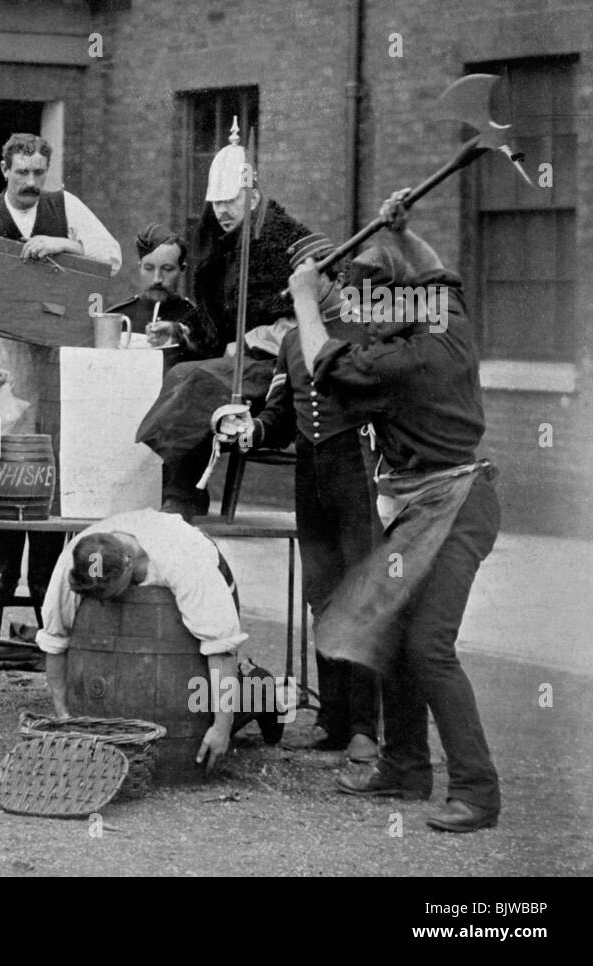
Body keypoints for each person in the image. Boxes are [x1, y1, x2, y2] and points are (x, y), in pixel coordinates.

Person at [295, 191, 501, 833]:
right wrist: (404, 233)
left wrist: (305, 298)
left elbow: (323, 363)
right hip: (423, 505)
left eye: (372, 304)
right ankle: (406, 768)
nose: (364, 317)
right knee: (393, 633)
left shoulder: (402, 360)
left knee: (429, 646)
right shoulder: (445, 315)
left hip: (456, 505)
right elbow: (436, 271)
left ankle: (478, 793)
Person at [215, 233, 381, 763]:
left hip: (357, 470)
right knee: (322, 595)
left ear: (336, 276)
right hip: (312, 475)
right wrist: (251, 431)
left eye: (316, 270)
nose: (308, 282)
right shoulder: (290, 343)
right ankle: (333, 719)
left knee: (362, 597)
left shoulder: (367, 328)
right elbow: (282, 415)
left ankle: (365, 727)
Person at [0, 132, 122, 605]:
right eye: (21, 172)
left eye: (39, 172)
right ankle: (3, 573)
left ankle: (44, 578)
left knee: (50, 460)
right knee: (2, 457)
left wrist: (62, 243)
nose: (31, 181)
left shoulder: (65, 207)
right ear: (5, 170)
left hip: (52, 351)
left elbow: (112, 258)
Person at [135, 127, 314, 520]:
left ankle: (182, 497)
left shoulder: (288, 242)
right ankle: (178, 490)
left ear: (253, 195)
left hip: (276, 370)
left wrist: (252, 340)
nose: (222, 211)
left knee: (199, 380)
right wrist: (182, 331)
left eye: (230, 200)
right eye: (216, 202)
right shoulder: (221, 247)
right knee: (180, 371)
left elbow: (309, 316)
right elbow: (214, 324)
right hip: (234, 364)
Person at [35, 508, 278, 774]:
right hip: (156, 588)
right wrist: (63, 716)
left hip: (210, 578)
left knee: (195, 709)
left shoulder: (183, 560)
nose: (102, 603)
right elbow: (54, 640)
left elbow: (221, 647)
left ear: (128, 563)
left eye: (107, 594)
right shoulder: (74, 561)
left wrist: (222, 728)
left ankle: (260, 689)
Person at [106, 223, 195, 344]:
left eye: (167, 269)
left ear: (182, 270)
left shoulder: (197, 319)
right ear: (140, 267)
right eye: (149, 268)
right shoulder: (118, 318)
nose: (157, 279)